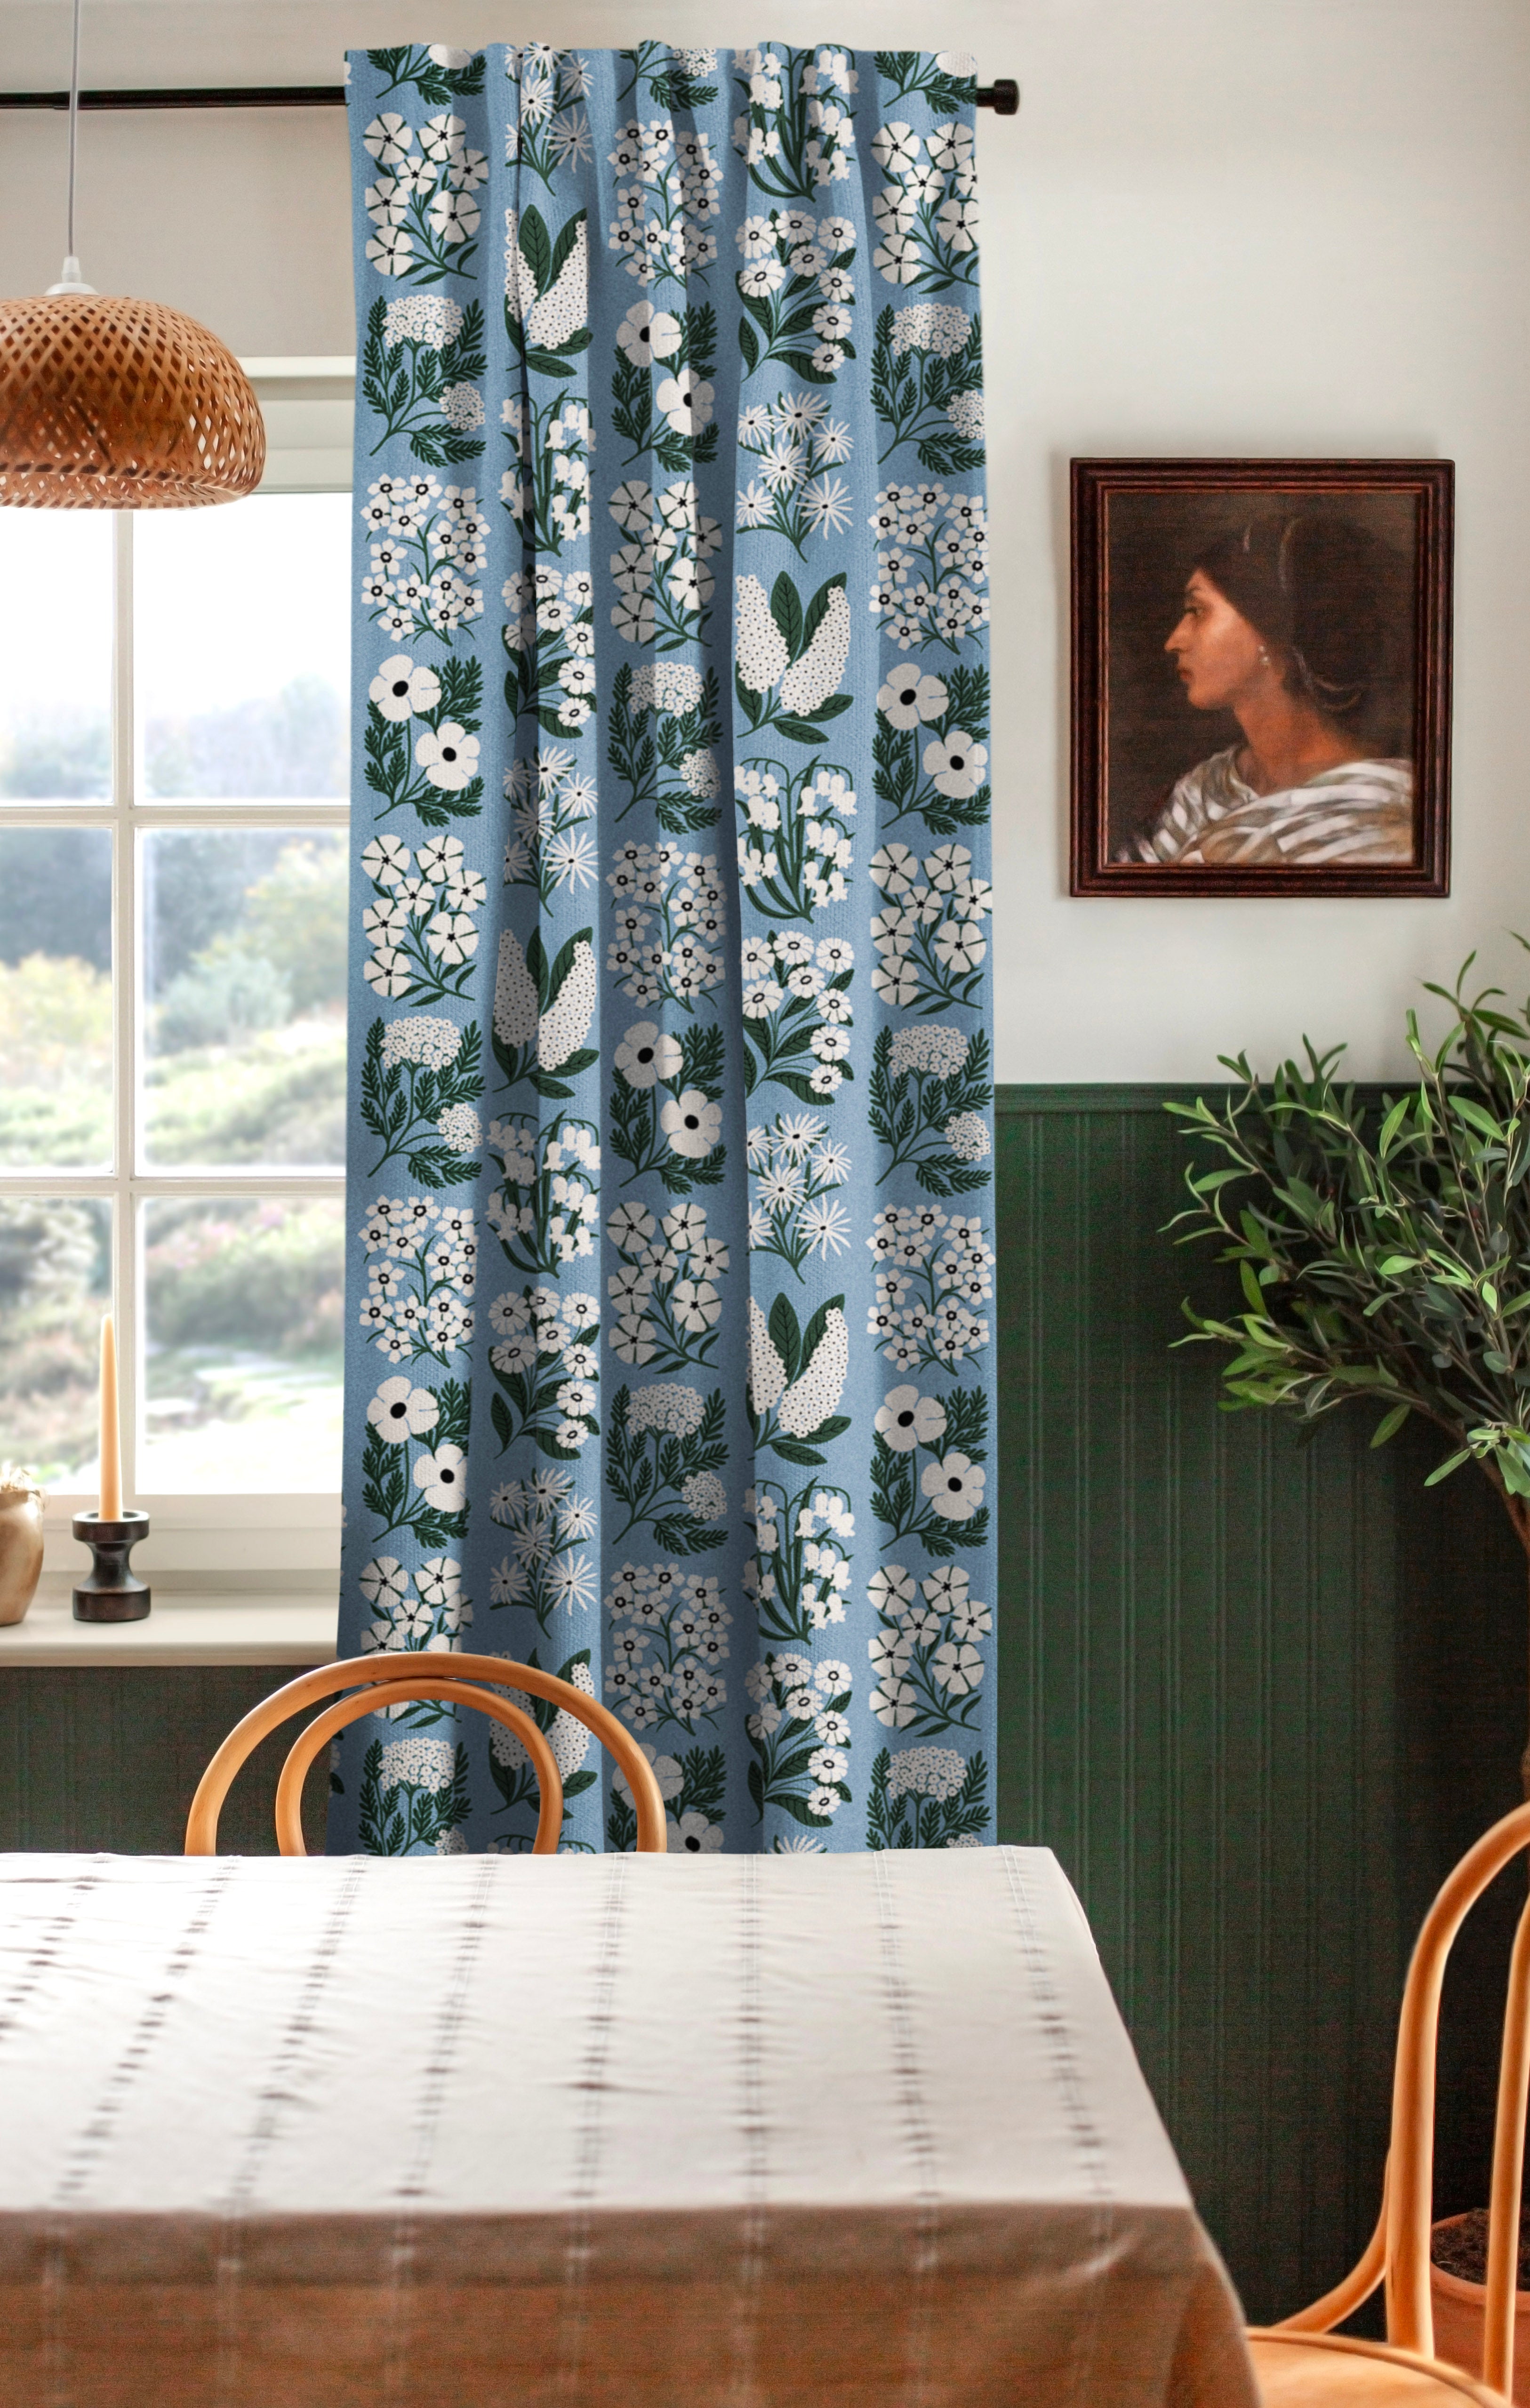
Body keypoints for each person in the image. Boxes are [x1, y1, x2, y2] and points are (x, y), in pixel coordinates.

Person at [1127, 513, 1414, 867]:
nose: (1173, 641)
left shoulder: (1382, 819)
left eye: (1197, 611)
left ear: (1269, 630)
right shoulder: (1207, 789)